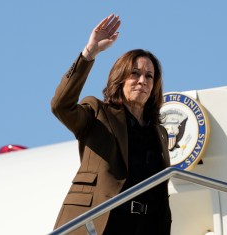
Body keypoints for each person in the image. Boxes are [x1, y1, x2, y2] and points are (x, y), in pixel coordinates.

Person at [51, 13, 172, 235]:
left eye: (149, 76)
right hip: (101, 223)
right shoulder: (98, 112)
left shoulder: (159, 133)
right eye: (134, 73)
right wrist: (90, 53)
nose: (142, 81)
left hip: (144, 227)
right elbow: (61, 106)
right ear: (120, 78)